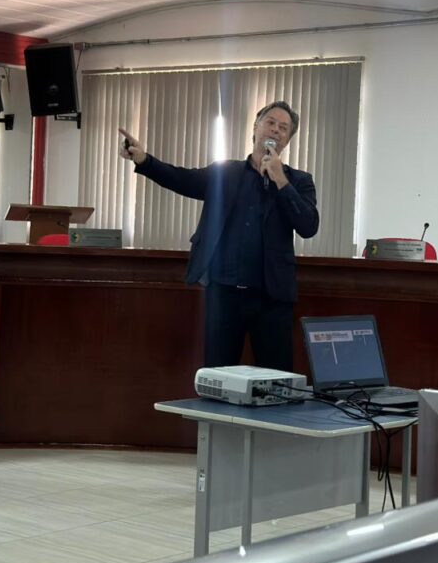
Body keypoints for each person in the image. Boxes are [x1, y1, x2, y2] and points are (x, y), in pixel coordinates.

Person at [119, 101, 319, 372]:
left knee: (276, 378)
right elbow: (182, 179)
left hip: (271, 298)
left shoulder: (299, 181)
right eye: (270, 122)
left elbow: (308, 226)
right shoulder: (225, 172)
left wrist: (280, 180)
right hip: (224, 294)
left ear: (287, 140)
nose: (276, 130)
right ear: (256, 127)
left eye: (283, 128)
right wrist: (144, 160)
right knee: (218, 375)